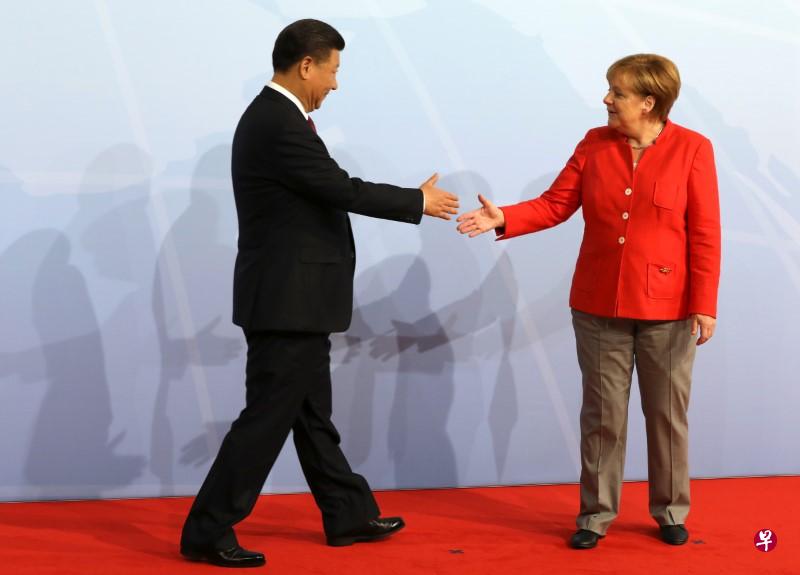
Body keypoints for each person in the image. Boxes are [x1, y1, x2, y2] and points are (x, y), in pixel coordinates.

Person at [180, 19, 459, 568]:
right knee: (265, 420)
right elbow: (337, 188)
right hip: (287, 301)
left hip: (296, 299)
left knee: (311, 416)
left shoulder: (282, 118)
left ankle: (347, 514)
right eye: (332, 70)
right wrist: (415, 201)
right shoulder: (277, 122)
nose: (335, 83)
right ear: (307, 65)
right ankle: (208, 528)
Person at [456, 54, 720, 550]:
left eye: (617, 93)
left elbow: (704, 233)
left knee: (666, 415)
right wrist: (504, 218)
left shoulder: (693, 149)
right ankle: (595, 515)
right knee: (602, 415)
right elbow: (556, 204)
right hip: (598, 305)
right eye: (609, 90)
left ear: (648, 102)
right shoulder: (593, 144)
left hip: (670, 309)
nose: (606, 99)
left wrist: (704, 303)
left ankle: (669, 510)